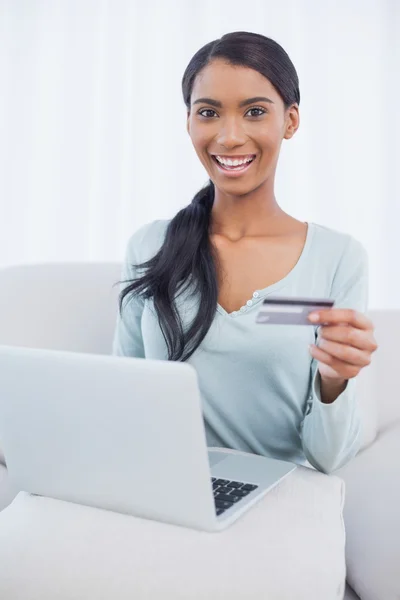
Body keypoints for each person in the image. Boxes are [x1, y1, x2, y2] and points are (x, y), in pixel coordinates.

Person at [112, 31, 377, 474]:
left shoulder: (339, 258)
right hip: (167, 486)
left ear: (290, 121)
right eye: (209, 113)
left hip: (279, 497)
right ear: (189, 123)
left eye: (254, 112)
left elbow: (327, 458)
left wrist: (334, 382)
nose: (229, 136)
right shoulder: (150, 245)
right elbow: (124, 399)